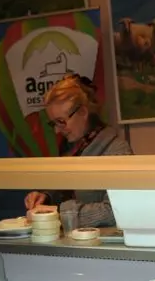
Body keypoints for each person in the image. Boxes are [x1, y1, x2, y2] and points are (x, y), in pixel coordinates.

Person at [24, 74, 133, 227]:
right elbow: (66, 186)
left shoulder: (117, 150)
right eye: (53, 123)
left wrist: (58, 212)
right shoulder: (72, 147)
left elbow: (116, 211)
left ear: (82, 112)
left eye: (61, 122)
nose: (57, 130)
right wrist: (46, 197)